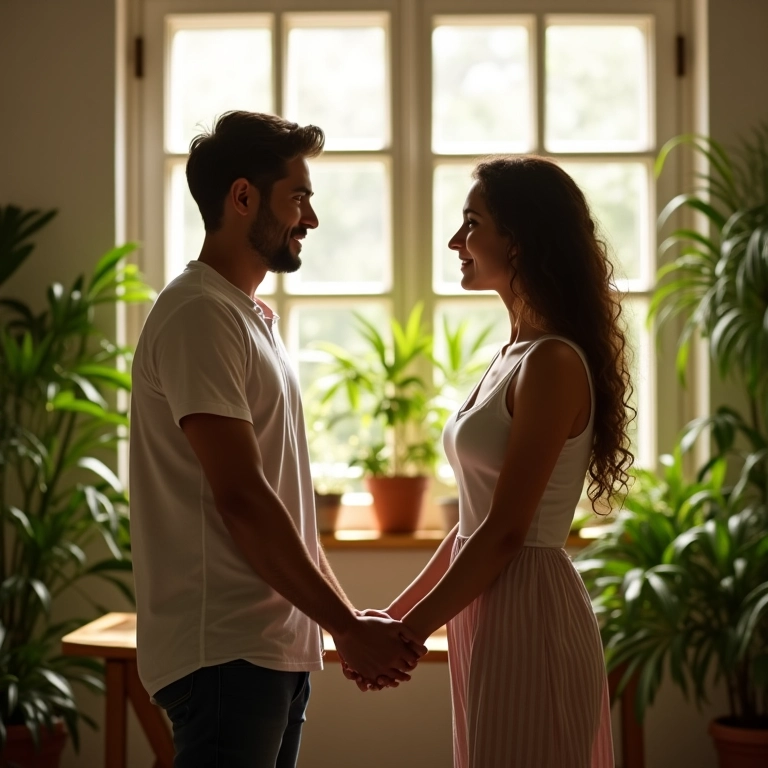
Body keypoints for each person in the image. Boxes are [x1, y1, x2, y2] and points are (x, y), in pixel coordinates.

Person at [128, 110, 424, 768]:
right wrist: (347, 629)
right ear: (242, 198)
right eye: (298, 198)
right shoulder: (199, 314)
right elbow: (242, 498)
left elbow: (282, 507)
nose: (310, 219)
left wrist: (340, 624)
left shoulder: (248, 317)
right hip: (225, 652)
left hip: (268, 650)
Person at [362, 156, 634, 767]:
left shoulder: (552, 364)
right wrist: (394, 616)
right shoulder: (513, 355)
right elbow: (471, 526)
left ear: (520, 240)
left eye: (471, 223)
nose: (456, 241)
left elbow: (508, 530)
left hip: (530, 612)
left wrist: (405, 637)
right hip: (489, 606)